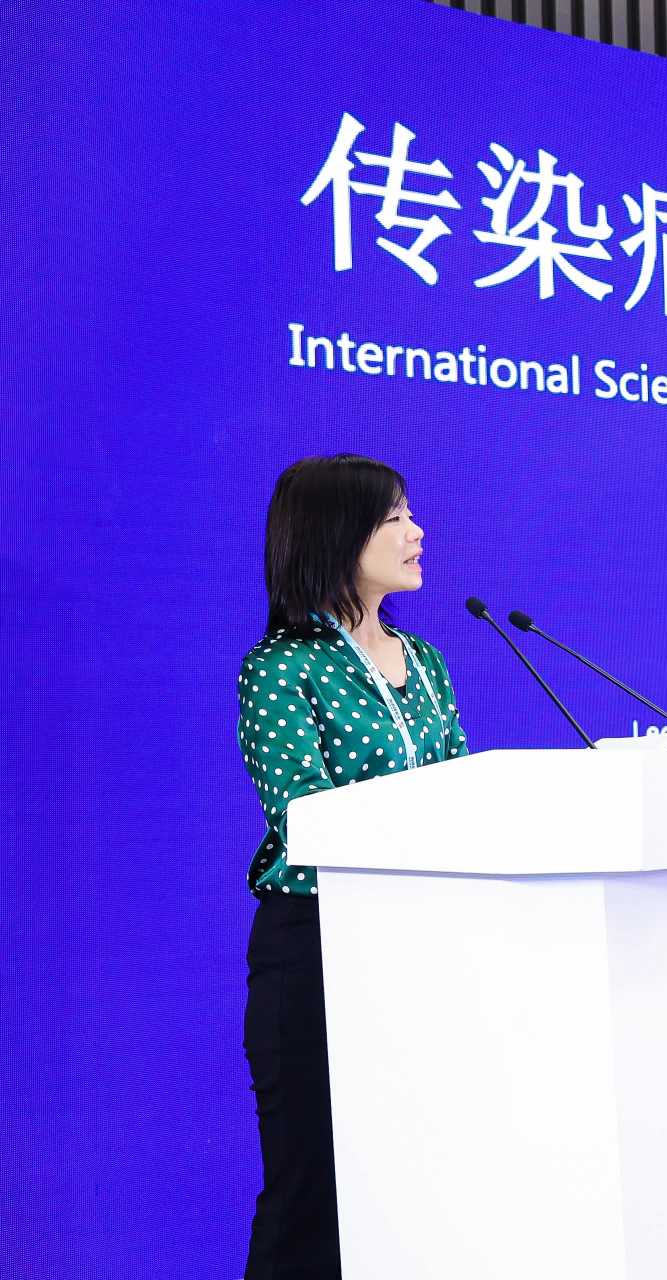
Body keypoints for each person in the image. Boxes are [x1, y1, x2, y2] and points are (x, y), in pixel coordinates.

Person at [236, 454, 468, 1278]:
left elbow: (464, 796)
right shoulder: (281, 668)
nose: (417, 532)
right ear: (338, 534)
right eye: (394, 517)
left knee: (419, 1183)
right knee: (312, 1193)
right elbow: (306, 817)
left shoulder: (425, 660)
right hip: (319, 949)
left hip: (426, 946)